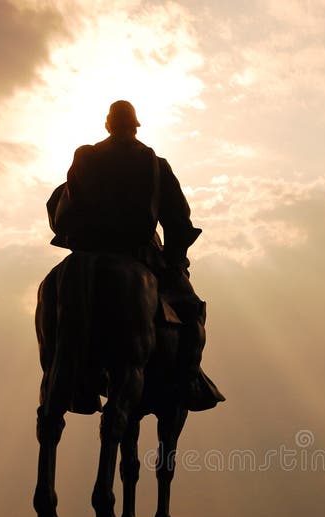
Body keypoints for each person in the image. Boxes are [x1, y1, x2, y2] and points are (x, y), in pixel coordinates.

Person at [47, 100, 223, 411]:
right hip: (140, 254)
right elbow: (179, 223)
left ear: (107, 125)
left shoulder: (84, 157)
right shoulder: (154, 163)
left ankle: (65, 380)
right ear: (135, 126)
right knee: (192, 311)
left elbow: (58, 209)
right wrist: (174, 261)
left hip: (86, 251)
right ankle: (188, 381)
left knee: (54, 300)